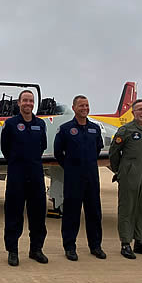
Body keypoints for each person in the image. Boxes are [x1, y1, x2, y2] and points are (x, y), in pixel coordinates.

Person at [53, 95, 106, 261]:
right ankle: (69, 247)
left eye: (87, 105)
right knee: (71, 214)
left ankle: (95, 246)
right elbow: (57, 153)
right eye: (81, 105)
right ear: (74, 108)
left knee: (94, 213)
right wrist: (69, 167)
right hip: (73, 179)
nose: (85, 108)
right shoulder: (65, 129)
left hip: (91, 178)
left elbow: (97, 149)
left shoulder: (94, 129)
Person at [1, 89, 48, 266]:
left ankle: (36, 249)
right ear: (19, 103)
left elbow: (42, 145)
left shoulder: (40, 124)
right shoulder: (11, 124)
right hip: (17, 175)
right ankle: (13, 251)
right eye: (25, 100)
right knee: (13, 213)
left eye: (31, 101)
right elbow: (5, 147)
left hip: (35, 174)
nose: (28, 104)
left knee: (37, 214)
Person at [109, 99, 142, 259]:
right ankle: (125, 243)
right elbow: (114, 152)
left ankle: (139, 241)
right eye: (139, 110)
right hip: (129, 173)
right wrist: (120, 171)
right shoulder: (125, 130)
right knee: (127, 207)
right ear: (133, 112)